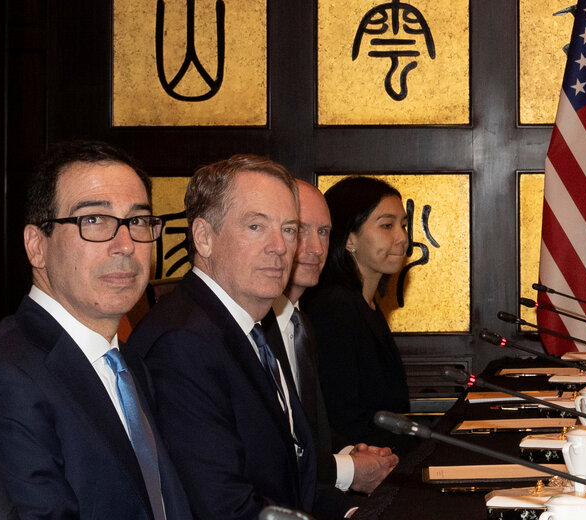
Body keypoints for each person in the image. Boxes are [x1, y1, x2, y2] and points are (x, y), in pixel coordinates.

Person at [0, 140, 194, 520]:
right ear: (36, 246)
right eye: (94, 220)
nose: (125, 245)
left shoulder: (125, 362)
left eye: (137, 221)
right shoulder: (8, 374)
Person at [128, 154, 317, 518]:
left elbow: (291, 479)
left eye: (289, 229)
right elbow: (221, 508)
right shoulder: (183, 345)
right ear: (204, 237)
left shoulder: (251, 327)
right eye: (256, 227)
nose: (280, 246)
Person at [271, 179, 398, 507]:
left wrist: (355, 454)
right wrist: (354, 460)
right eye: (298, 231)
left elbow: (315, 432)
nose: (314, 248)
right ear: (351, 240)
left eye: (324, 232)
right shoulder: (331, 308)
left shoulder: (303, 318)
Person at [302, 175, 414, 452]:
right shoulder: (333, 309)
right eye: (387, 226)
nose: (402, 238)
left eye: (403, 225)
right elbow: (343, 420)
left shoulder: (366, 303)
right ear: (349, 238)